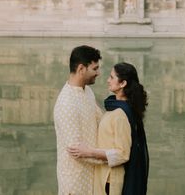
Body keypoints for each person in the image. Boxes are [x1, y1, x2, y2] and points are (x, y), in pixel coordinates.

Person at [68, 62, 149, 195]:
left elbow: (122, 154)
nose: (108, 80)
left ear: (122, 83)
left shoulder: (120, 114)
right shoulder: (116, 108)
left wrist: (88, 152)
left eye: (112, 77)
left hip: (110, 180)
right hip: (105, 176)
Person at [54, 45, 103, 195]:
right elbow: (77, 151)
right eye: (94, 69)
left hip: (92, 176)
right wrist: (110, 157)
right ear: (81, 69)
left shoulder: (87, 91)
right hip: (75, 183)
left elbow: (100, 121)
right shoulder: (66, 103)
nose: (98, 73)